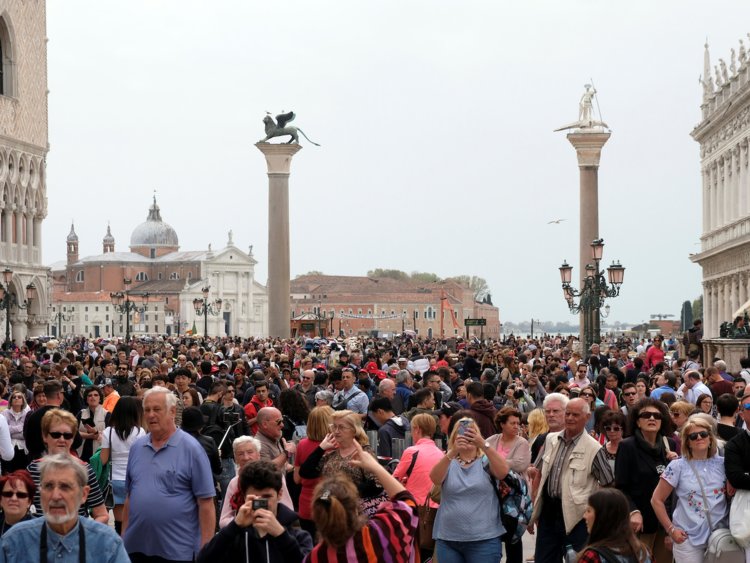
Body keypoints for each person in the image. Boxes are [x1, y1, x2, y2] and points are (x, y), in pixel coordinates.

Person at [122, 386, 216, 562]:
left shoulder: (192, 449)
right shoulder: (137, 447)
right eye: (147, 410)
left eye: (157, 409)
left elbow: (206, 503)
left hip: (177, 551)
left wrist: (206, 548)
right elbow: (130, 497)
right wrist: (124, 537)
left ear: (172, 411)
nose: (151, 415)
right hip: (135, 548)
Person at [528, 398, 615, 561]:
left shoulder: (594, 448)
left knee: (579, 560)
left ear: (587, 417)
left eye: (575, 415)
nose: (570, 418)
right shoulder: (550, 439)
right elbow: (538, 473)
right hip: (549, 512)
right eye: (567, 413)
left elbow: (608, 483)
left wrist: (594, 513)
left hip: (578, 518)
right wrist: (534, 509)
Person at [0, 453, 130, 563]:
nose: (56, 496)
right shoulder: (14, 542)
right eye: (49, 486)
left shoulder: (107, 544)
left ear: (84, 494)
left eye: (65, 487)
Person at [306, 439, 419, 562]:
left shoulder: (316, 557)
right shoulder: (378, 535)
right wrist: (375, 467)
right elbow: (407, 504)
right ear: (355, 507)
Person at [197, 460, 312, 563]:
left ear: (280, 494)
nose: (261, 502)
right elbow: (204, 559)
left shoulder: (298, 536)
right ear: (244, 496)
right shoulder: (236, 536)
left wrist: (281, 535)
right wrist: (234, 526)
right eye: (255, 497)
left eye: (267, 497)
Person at [430, 415, 508, 562]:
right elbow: (435, 478)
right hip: (448, 539)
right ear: (454, 437)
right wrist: (453, 451)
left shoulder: (486, 461)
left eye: (472, 433)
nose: (467, 437)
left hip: (484, 539)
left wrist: (483, 444)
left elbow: (503, 472)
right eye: (463, 433)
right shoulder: (448, 460)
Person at [651, 416, 729, 563]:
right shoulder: (677, 466)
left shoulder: (724, 464)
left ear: (710, 438)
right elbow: (656, 500)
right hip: (688, 538)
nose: (699, 437)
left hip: (720, 536)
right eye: (693, 436)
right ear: (687, 442)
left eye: (703, 434)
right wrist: (671, 530)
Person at [615, 398, 677, 563]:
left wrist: (677, 464)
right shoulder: (627, 446)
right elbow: (620, 486)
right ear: (637, 421)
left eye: (657, 416)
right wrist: (633, 512)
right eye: (646, 415)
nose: (652, 419)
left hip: (666, 522)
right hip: (641, 522)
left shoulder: (669, 444)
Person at [27, 408, 109, 525]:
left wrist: (85, 534)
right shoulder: (33, 469)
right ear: (45, 437)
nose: (62, 440)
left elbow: (102, 514)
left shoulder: (84, 470)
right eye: (55, 435)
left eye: (67, 435)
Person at [299, 410, 386, 517]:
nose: (336, 431)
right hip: (330, 512)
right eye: (334, 427)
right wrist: (320, 448)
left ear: (354, 430)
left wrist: (343, 492)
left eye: (341, 427)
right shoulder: (331, 454)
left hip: (354, 513)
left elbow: (377, 485)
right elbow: (305, 472)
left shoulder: (363, 452)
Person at [486, 407, 530, 563]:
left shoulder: (522, 443)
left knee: (513, 537)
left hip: (514, 497)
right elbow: (481, 459)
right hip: (493, 494)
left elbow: (520, 464)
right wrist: (499, 463)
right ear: (502, 424)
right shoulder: (491, 440)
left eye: (518, 423)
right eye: (513, 423)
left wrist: (494, 460)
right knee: (494, 535)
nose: (517, 426)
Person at [100, 396, 146, 536]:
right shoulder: (140, 432)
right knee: (132, 519)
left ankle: (119, 546)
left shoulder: (108, 432)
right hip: (134, 479)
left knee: (119, 521)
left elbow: (103, 459)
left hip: (114, 480)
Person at [578, 488, 651, 563]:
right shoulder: (644, 552)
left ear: (602, 517)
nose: (584, 516)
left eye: (588, 511)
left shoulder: (592, 556)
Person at [293, 406, 333, 537]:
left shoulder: (302, 444)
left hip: (306, 504)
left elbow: (297, 479)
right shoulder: (336, 446)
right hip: (329, 503)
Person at [77, 386, 110, 463]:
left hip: (99, 454)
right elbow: (73, 432)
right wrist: (89, 436)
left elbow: (110, 436)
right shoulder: (81, 413)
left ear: (100, 398)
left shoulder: (107, 414)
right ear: (86, 399)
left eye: (96, 395)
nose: (93, 397)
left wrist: (96, 432)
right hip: (81, 454)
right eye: (90, 395)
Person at [2, 390, 31, 472]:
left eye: (19, 397)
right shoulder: (5, 413)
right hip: (9, 447)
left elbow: (26, 433)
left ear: (23, 401)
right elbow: (4, 432)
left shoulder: (27, 413)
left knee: (21, 473)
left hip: (23, 449)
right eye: (14, 397)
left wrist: (10, 430)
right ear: (10, 401)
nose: (16, 398)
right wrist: (20, 428)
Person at [0, 469, 35, 536]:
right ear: (1, 500)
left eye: (20, 495)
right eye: (8, 494)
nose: (13, 499)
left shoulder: (39, 531)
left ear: (29, 502)